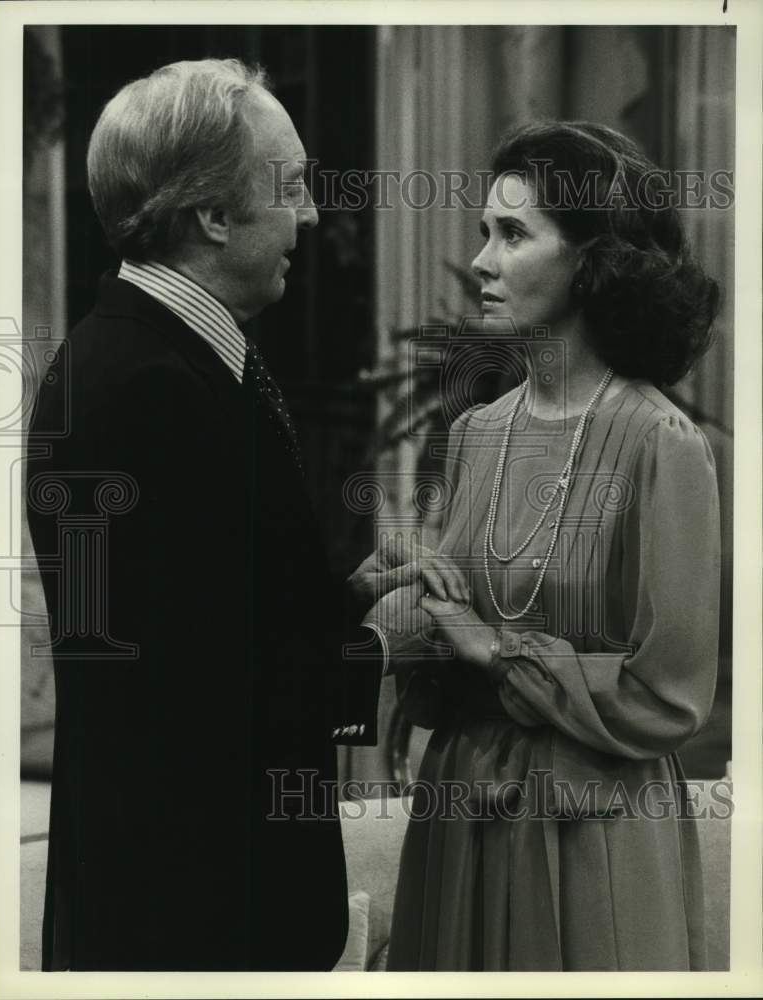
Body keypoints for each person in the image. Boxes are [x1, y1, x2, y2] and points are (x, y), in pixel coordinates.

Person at [25, 57, 445, 972]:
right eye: (291, 186)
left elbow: (208, 611)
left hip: (194, 901)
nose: (314, 215)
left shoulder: (166, 358)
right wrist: (380, 651)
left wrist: (341, 595)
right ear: (213, 215)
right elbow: (183, 695)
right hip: (185, 919)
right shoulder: (140, 386)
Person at [383, 121, 722, 971]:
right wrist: (406, 621)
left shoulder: (661, 444)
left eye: (513, 234)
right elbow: (455, 620)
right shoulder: (475, 435)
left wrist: (499, 652)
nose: (483, 262)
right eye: (482, 233)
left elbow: (670, 692)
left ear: (590, 260)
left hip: (591, 822)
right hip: (462, 807)